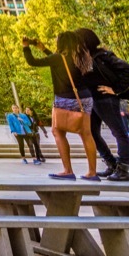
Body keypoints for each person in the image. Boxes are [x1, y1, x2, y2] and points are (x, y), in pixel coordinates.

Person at [23, 31, 99, 180]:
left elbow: (33, 62)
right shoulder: (84, 57)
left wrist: (26, 47)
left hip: (65, 98)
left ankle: (67, 170)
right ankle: (92, 172)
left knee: (58, 131)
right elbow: (63, 65)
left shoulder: (58, 58)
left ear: (61, 43)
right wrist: (43, 49)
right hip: (85, 97)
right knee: (86, 134)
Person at [77, 28, 129, 181]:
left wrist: (116, 89)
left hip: (105, 99)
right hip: (91, 101)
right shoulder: (83, 59)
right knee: (90, 133)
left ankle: (123, 169)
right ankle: (111, 163)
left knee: (118, 131)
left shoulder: (103, 56)